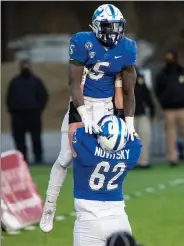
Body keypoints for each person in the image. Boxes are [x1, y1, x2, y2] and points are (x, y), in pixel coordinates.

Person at [40, 3, 137, 233]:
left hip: (107, 108)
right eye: (107, 27)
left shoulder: (127, 48)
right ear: (95, 27)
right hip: (82, 102)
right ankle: (50, 206)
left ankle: (108, 207)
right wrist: (84, 114)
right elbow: (74, 84)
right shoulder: (83, 42)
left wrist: (129, 123)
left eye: (116, 27)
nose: (113, 32)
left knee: (109, 155)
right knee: (66, 157)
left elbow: (129, 91)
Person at [72, 115, 142, 246]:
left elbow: (79, 131)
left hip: (88, 221)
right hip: (119, 219)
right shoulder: (133, 150)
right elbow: (135, 140)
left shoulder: (85, 147)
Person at [154, 50, 184, 167]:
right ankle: (173, 158)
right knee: (170, 136)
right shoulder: (162, 74)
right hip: (169, 110)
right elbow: (158, 91)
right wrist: (164, 102)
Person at [6, 59, 49, 164]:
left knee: (36, 137)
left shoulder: (36, 81)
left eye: (27, 65)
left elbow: (43, 96)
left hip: (33, 114)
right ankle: (22, 158)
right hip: (18, 115)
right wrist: (12, 109)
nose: (25, 67)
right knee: (19, 138)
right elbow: (9, 97)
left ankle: (38, 158)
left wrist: (38, 108)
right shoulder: (15, 82)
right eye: (23, 65)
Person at [134, 69, 155, 168]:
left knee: (144, 137)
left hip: (141, 113)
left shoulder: (139, 77)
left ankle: (143, 161)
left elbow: (147, 95)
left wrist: (152, 110)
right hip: (125, 114)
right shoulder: (118, 76)